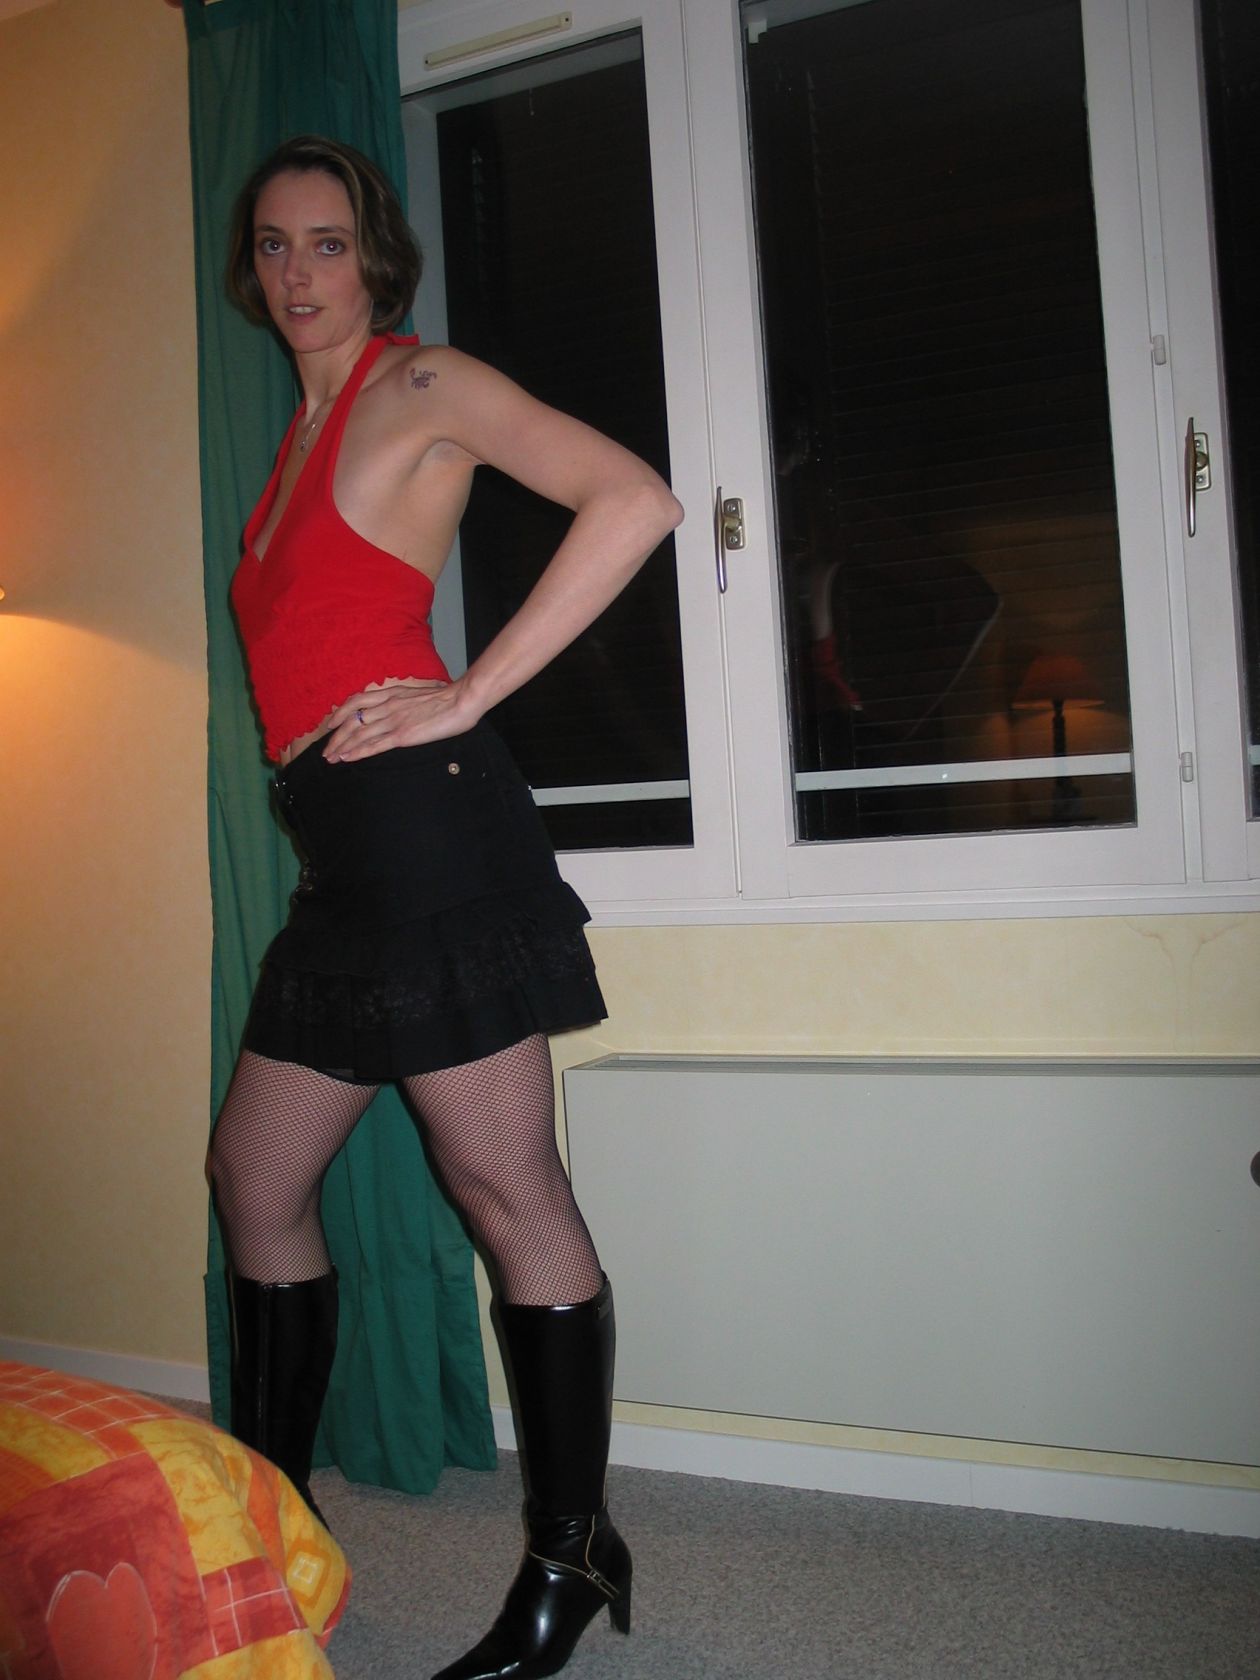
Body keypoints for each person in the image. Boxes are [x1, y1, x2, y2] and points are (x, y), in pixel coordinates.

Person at [209, 134, 682, 1680]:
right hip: (340, 861)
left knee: (503, 1186)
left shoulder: (421, 386)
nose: (299, 271)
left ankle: (573, 1546)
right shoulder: (292, 440)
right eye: (274, 244)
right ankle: (277, 1523)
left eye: (327, 242)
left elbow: (633, 500)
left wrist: (469, 691)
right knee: (255, 1180)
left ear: (375, 256)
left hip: (433, 836)